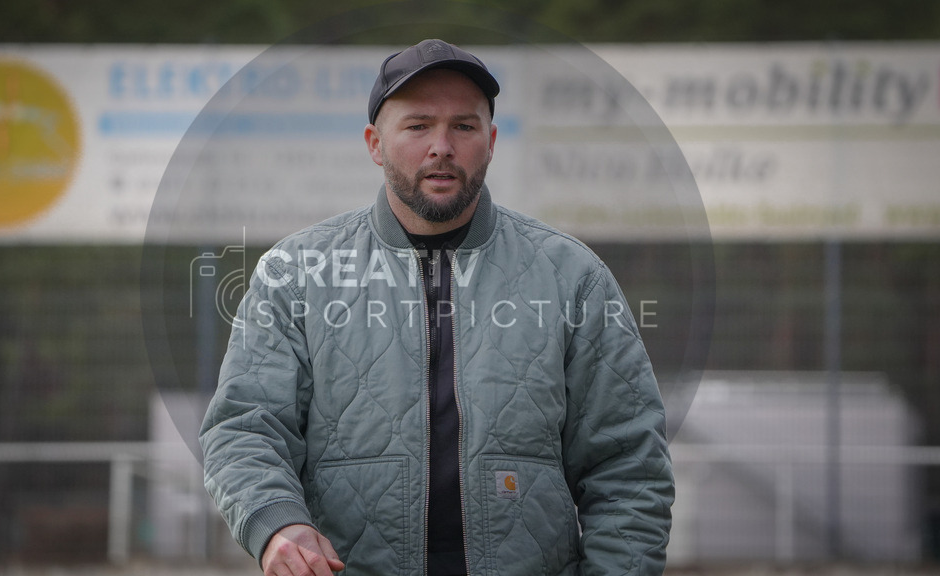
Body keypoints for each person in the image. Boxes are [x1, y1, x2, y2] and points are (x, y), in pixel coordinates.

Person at [200, 39, 673, 576]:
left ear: (491, 141)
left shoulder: (573, 277)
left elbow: (630, 466)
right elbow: (243, 426)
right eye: (418, 125)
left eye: (464, 127)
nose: (442, 146)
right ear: (375, 144)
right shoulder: (294, 273)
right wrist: (276, 522)